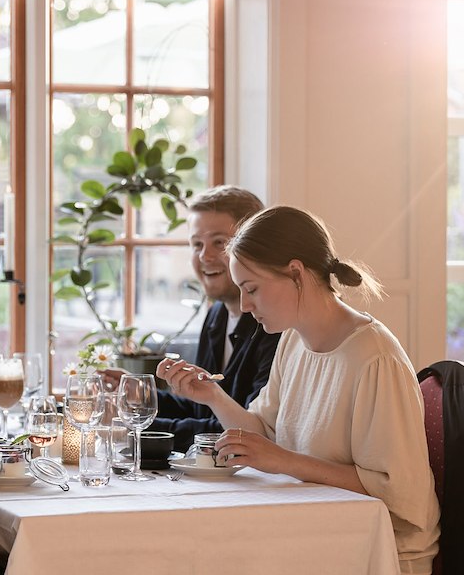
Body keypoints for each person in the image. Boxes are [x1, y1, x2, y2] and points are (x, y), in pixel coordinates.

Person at [157, 206, 440, 573]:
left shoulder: (374, 359)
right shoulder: (293, 340)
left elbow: (397, 493)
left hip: (379, 549)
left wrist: (283, 460)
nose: (245, 305)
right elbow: (260, 432)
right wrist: (212, 396)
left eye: (252, 289)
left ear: (295, 273)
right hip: (316, 530)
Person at [103, 186, 281, 451]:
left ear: (253, 245)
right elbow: (205, 409)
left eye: (219, 242)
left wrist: (133, 426)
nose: (204, 256)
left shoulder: (275, 325)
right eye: (197, 244)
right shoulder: (216, 316)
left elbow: (241, 431)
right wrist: (141, 395)